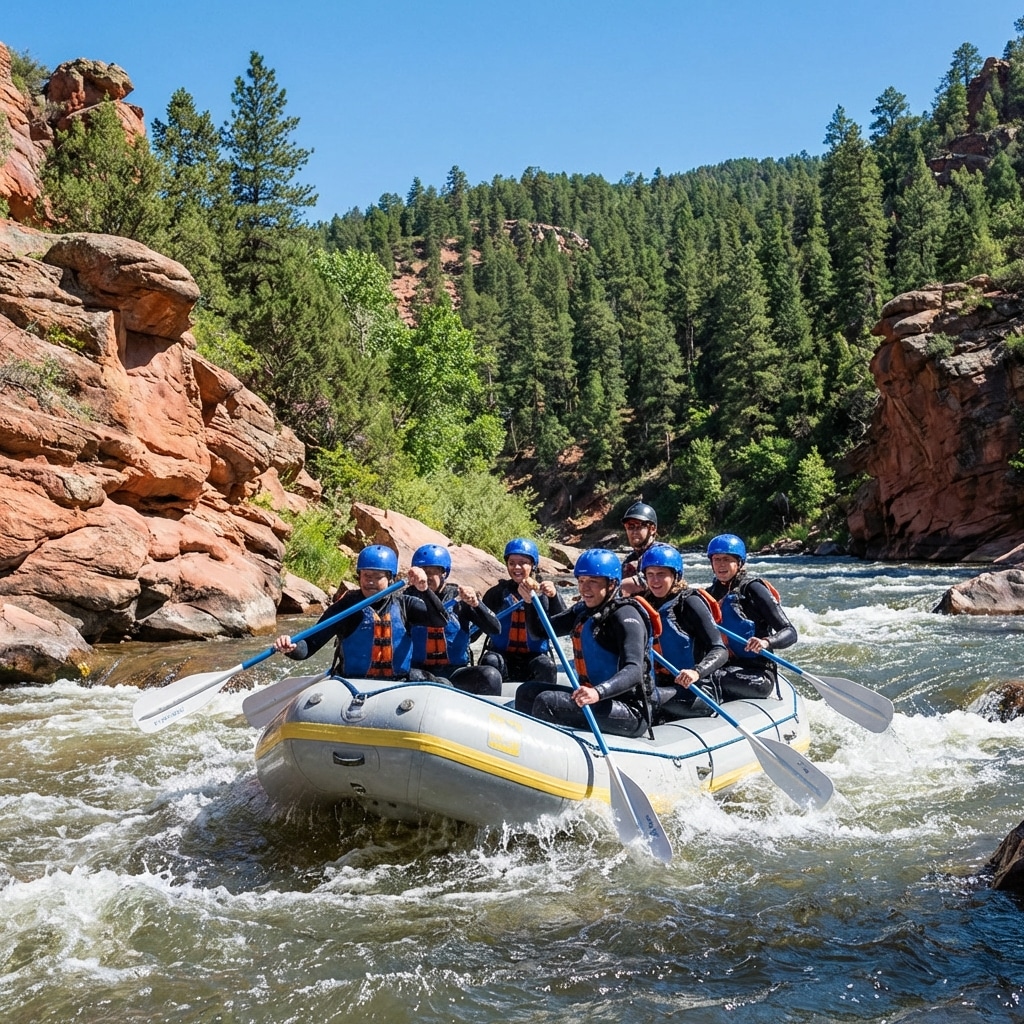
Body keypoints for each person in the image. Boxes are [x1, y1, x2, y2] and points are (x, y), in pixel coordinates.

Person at [515, 548, 657, 739]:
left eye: (593, 582)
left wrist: (598, 692)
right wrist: (529, 602)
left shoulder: (626, 615)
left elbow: (634, 670)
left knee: (547, 701)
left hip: (629, 710)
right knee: (527, 691)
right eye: (581, 581)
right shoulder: (583, 610)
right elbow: (541, 632)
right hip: (596, 699)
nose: (584, 588)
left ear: (612, 583)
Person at [273, 544, 447, 679]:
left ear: (391, 578)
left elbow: (439, 621)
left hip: (397, 683)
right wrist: (292, 648)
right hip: (351, 682)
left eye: (377, 577)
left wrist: (424, 590)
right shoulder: (346, 607)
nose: (370, 582)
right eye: (366, 576)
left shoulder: (405, 604)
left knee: (441, 683)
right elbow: (309, 646)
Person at [638, 543, 730, 718]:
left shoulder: (690, 602)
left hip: (696, 691)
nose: (655, 581)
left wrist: (696, 671)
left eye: (661, 574)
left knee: (646, 700)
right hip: (660, 684)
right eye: (650, 575)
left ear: (675, 575)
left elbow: (720, 649)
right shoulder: (644, 603)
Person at [705, 533, 797, 700]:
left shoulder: (753, 588)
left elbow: (790, 632)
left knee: (711, 679)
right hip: (724, 668)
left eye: (727, 559)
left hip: (757, 675)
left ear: (739, 562)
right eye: (717, 559)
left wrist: (766, 641)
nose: (721, 564)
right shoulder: (708, 595)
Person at [407, 543, 504, 695]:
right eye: (423, 572)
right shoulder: (407, 599)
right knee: (441, 684)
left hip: (455, 671)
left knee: (490, 675)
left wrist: (476, 605)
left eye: (431, 572)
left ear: (444, 573)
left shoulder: (459, 599)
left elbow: (495, 629)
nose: (426, 578)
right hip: (419, 672)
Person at [478, 538, 566, 685]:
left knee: (547, 666)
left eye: (523, 562)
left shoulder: (544, 593)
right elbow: (476, 627)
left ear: (533, 565)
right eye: (511, 563)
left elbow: (563, 626)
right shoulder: (497, 593)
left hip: (534, 658)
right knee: (489, 660)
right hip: (502, 657)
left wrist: (554, 597)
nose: (516, 567)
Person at [619, 501, 659, 596]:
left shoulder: (660, 553)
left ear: (652, 529)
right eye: (630, 527)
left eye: (638, 526)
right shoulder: (631, 559)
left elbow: (649, 581)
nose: (634, 531)